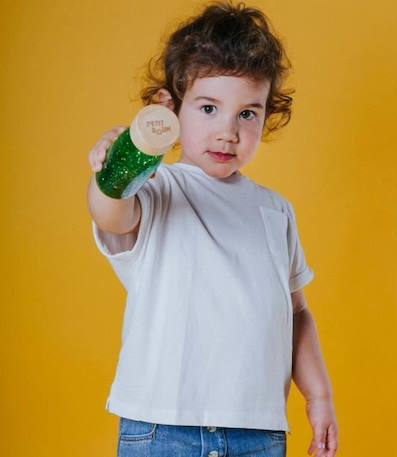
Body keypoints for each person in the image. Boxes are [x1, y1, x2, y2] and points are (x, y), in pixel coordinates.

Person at [87, 1, 338, 456]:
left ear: (267, 115)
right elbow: (111, 213)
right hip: (163, 427)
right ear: (169, 110)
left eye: (248, 114)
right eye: (208, 108)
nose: (228, 131)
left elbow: (297, 314)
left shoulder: (275, 212)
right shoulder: (158, 190)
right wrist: (120, 161)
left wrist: (319, 395)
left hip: (257, 432)